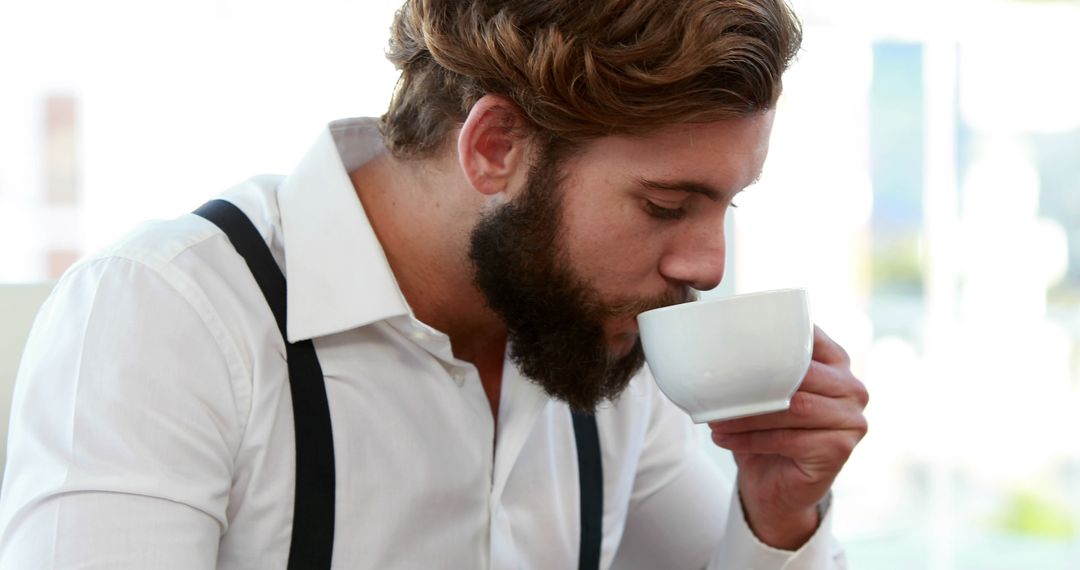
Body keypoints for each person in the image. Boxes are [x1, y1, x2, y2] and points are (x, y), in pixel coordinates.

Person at [0, 0, 869, 568]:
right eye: (667, 204)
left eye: (725, 205)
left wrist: (779, 511)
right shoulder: (168, 317)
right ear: (495, 147)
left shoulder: (592, 337)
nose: (707, 265)